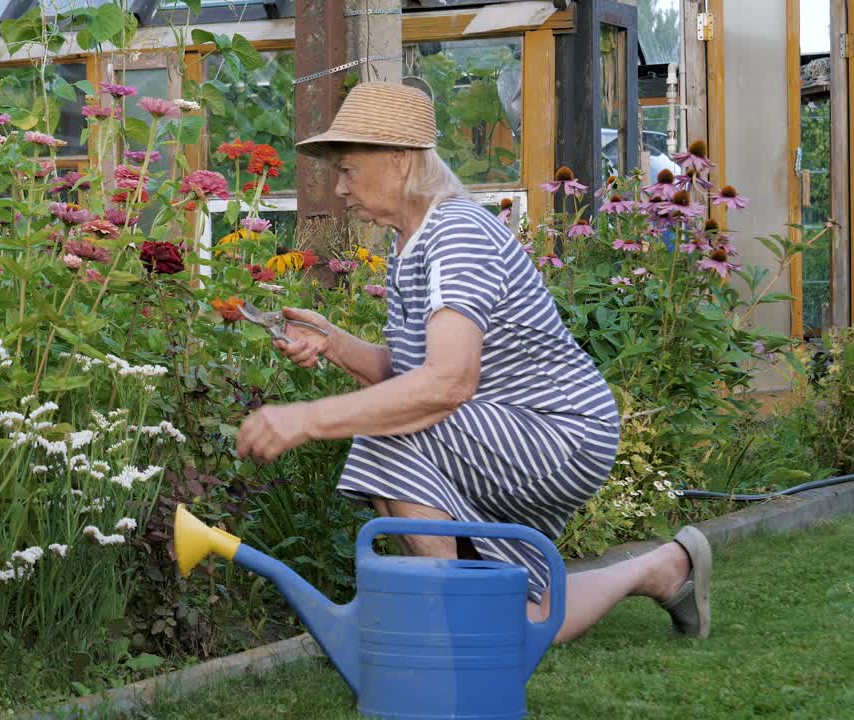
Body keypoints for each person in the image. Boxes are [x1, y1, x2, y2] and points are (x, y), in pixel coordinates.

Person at [234, 82, 711, 642]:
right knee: (517, 622)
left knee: (387, 428)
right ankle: (662, 569)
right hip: (499, 427)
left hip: (558, 431)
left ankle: (449, 632)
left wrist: (303, 418)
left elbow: (446, 385)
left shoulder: (458, 233)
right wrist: (334, 342)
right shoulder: (410, 241)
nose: (339, 188)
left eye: (348, 170)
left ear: (400, 161)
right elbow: (414, 376)